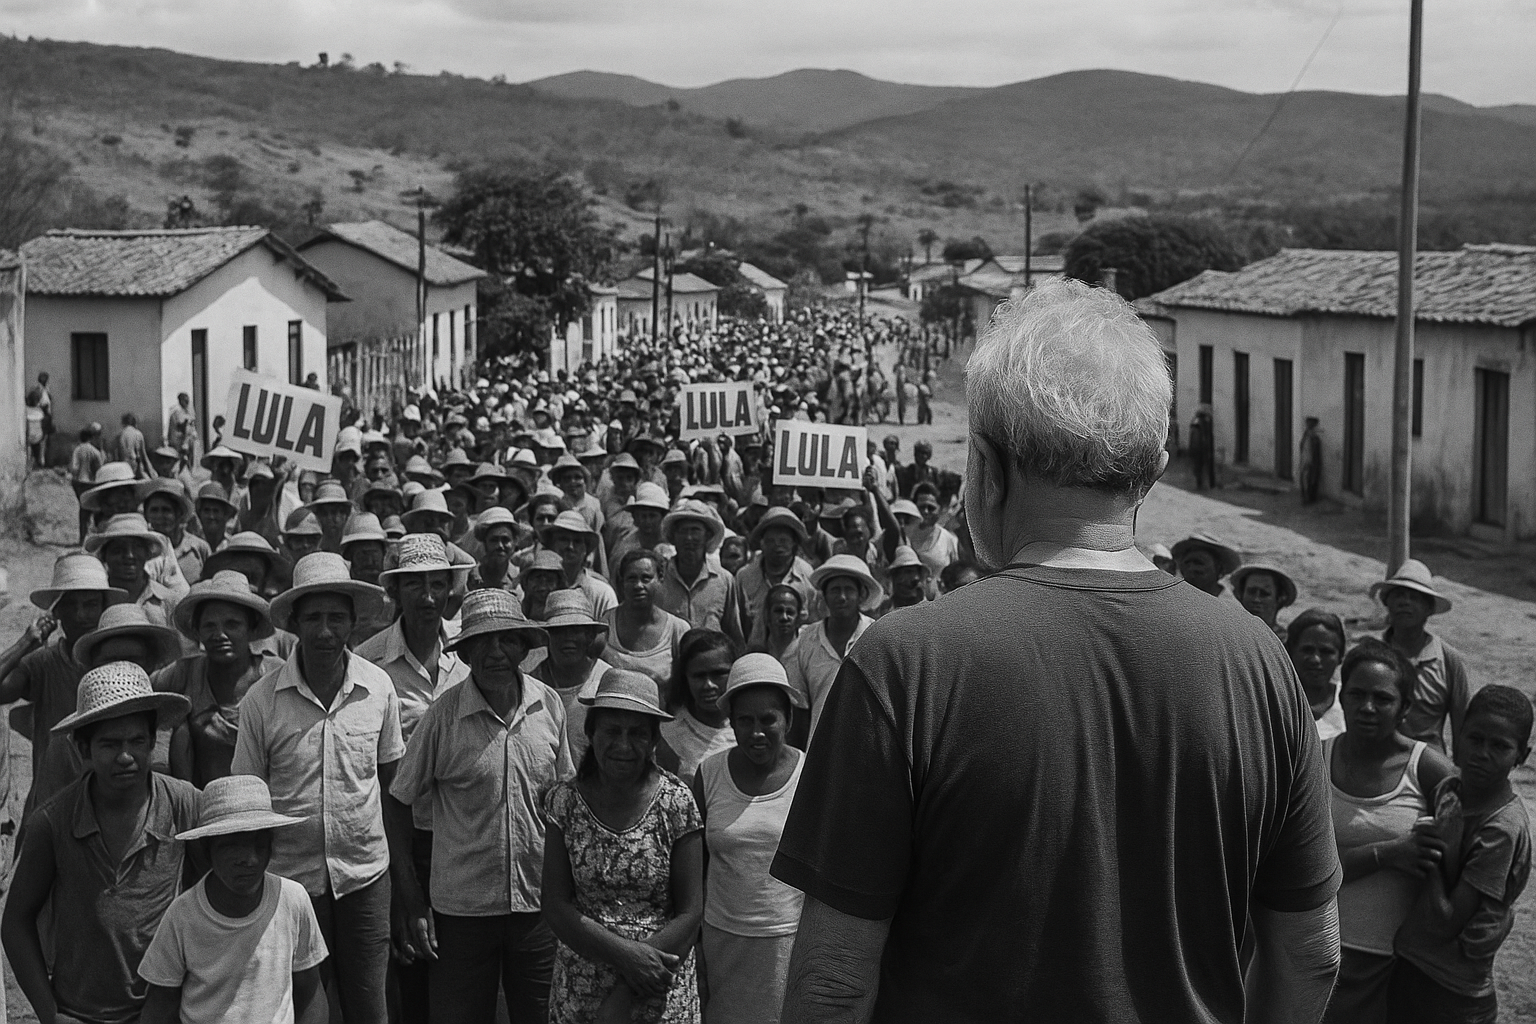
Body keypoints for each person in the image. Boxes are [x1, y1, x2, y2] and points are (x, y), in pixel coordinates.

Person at [772, 280, 1341, 1023]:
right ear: (1155, 467)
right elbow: (1311, 954)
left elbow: (834, 987)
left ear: (985, 461)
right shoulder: (1261, 663)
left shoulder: (905, 663)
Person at [231, 552, 405, 1024]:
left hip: (366, 877)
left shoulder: (378, 687)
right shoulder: (261, 701)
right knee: (300, 1008)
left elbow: (391, 791)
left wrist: (406, 889)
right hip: (289, 883)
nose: (325, 632)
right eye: (313, 619)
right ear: (295, 623)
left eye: (335, 618)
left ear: (352, 622)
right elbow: (246, 802)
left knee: (370, 1005)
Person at [388, 588, 573, 1024]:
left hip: (537, 906)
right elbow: (397, 801)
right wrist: (411, 896)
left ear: (524, 648)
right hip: (461, 913)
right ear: (466, 651)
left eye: (507, 640)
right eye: (482, 642)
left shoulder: (548, 706)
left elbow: (564, 801)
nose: (495, 653)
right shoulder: (442, 716)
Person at [2, 662, 198, 1024]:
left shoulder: (184, 805)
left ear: (153, 741)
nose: (126, 757)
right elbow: (15, 922)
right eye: (109, 744)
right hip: (81, 1011)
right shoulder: (54, 822)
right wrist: (50, 1014)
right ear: (83, 749)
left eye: (137, 741)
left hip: (167, 1011)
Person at [541, 669, 705, 1024]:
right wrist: (624, 956)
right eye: (612, 731)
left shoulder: (676, 803)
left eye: (637, 734)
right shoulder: (564, 803)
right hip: (582, 989)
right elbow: (555, 905)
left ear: (653, 741)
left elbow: (691, 913)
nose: (624, 746)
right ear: (591, 733)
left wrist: (630, 984)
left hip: (658, 986)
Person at [1319, 640, 1454, 1024]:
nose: (1367, 708)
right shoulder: (1314, 757)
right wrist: (1391, 853)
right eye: (1357, 694)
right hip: (1312, 948)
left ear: (1405, 708)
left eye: (1382, 698)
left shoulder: (1427, 769)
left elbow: (1470, 842)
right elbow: (1299, 862)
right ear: (1341, 697)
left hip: (1389, 963)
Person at [1389, 685, 1532, 1023]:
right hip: (1410, 966)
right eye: (1475, 738)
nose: (1482, 753)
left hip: (1454, 991)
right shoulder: (1449, 791)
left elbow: (1446, 922)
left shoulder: (1501, 828)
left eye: (1499, 746)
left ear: (1521, 757)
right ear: (1457, 737)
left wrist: (1435, 846)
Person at [137, 775, 327, 1024]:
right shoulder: (183, 915)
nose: (248, 859)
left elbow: (310, 993)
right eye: (231, 846)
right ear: (208, 850)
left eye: (259, 845)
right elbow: (159, 1008)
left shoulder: (292, 900)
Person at [691, 654, 807, 1024]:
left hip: (787, 939)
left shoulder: (809, 774)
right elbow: (698, 865)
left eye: (767, 719)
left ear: (787, 719)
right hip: (723, 937)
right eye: (745, 720)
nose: (757, 732)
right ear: (732, 723)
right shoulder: (709, 774)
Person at [0, 551, 127, 820]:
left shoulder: (122, 663)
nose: (80, 615)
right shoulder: (44, 663)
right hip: (51, 807)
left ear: (104, 608)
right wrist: (25, 643)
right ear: (56, 613)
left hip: (109, 807)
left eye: (90, 604)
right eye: (71, 605)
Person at [153, 570, 284, 786]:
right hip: (204, 805)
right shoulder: (185, 672)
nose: (220, 635)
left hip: (266, 804)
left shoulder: (274, 674)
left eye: (232, 625)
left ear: (250, 629)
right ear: (198, 632)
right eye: (209, 626)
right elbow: (140, 698)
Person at [1372, 559, 1470, 754]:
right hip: (1379, 762)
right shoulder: (1373, 654)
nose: (1405, 602)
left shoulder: (1448, 660)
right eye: (1399, 595)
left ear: (1429, 609)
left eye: (1415, 597)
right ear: (1387, 602)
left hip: (1430, 765)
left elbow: (1463, 725)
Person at [781, 554, 879, 740]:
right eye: (835, 590)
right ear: (824, 596)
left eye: (849, 590)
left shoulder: (876, 636)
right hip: (820, 752)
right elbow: (800, 710)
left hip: (868, 750)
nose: (842, 597)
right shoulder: (804, 642)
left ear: (861, 595)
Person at [530, 590, 613, 759]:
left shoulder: (607, 682)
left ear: (590, 636)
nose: (568, 638)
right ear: (548, 636)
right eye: (559, 631)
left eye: (575, 630)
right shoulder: (530, 685)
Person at [655, 500, 745, 647]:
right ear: (673, 536)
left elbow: (733, 632)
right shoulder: (659, 577)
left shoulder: (724, 579)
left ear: (707, 536)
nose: (689, 538)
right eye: (683, 531)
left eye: (695, 530)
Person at [604, 549, 691, 689]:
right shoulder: (605, 624)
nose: (638, 586)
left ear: (660, 579)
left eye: (646, 578)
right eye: (631, 578)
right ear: (622, 582)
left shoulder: (678, 629)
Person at [659, 629, 736, 781]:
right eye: (699, 676)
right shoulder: (669, 736)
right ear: (685, 677)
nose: (709, 685)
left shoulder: (752, 726)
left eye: (718, 674)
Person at [736, 507, 816, 648]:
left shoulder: (807, 574)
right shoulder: (745, 576)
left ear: (794, 543)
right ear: (762, 543)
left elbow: (814, 621)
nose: (777, 546)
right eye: (771, 541)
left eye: (783, 541)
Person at [87, 513, 184, 629]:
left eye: (137, 547)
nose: (129, 555)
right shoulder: (95, 601)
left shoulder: (168, 601)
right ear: (104, 556)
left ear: (148, 553)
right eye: (118, 549)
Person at [1286, 608, 1349, 740]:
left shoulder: (1351, 701)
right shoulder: (1272, 702)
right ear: (1291, 652)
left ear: (1340, 657)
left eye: (1326, 652)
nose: (1316, 659)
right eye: (1307, 650)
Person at [143, 478, 210, 587]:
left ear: (179, 514)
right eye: (154, 510)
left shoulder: (199, 548)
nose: (160, 516)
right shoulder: (143, 548)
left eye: (166, 510)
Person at [1232, 562, 1297, 638]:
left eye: (1264, 594)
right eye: (1251, 592)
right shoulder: (1230, 635)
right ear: (1241, 595)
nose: (1256, 599)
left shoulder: (1286, 642)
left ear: (1279, 599)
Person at [1171, 532, 1242, 598]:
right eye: (1187, 562)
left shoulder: (1229, 605)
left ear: (1218, 568)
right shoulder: (1175, 598)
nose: (1190, 568)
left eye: (1198, 563)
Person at [70, 423, 106, 543]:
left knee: (83, 509)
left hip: (80, 482)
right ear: (91, 438)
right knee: (96, 508)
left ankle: (82, 537)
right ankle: (98, 535)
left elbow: (73, 468)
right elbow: (100, 468)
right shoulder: (95, 451)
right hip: (93, 482)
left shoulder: (77, 450)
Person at [752, 584, 804, 664]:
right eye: (778, 611)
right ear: (767, 614)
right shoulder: (756, 655)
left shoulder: (807, 651)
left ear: (798, 618)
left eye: (790, 612)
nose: (784, 617)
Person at [194, 481, 237, 555]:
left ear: (225, 515)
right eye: (207, 510)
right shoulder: (193, 545)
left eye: (216, 511)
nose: (211, 516)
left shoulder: (233, 546)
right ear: (199, 514)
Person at [116, 412, 153, 479]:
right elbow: (143, 455)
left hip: (123, 465)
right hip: (135, 462)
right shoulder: (138, 433)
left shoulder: (120, 435)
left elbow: (117, 454)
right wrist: (151, 471)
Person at [166, 392, 197, 464]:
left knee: (190, 458)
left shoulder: (188, 411)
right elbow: (181, 426)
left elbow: (192, 424)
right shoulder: (177, 411)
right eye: (185, 400)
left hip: (188, 439)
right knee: (180, 458)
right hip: (178, 440)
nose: (187, 402)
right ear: (180, 401)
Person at [1299, 417, 1323, 504]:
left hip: (1311, 462)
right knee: (1306, 479)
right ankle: (1307, 497)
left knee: (1311, 480)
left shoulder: (1314, 439)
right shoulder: (1308, 437)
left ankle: (1309, 498)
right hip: (1306, 461)